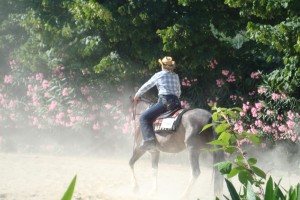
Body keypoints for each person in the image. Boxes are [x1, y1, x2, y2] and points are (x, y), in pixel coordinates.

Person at [134, 56, 181, 150]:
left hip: (164, 103)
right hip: (176, 103)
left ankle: (149, 141)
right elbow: (178, 91)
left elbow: (147, 85)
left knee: (143, 118)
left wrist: (137, 95)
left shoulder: (159, 75)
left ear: (162, 65)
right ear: (171, 66)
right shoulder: (176, 76)